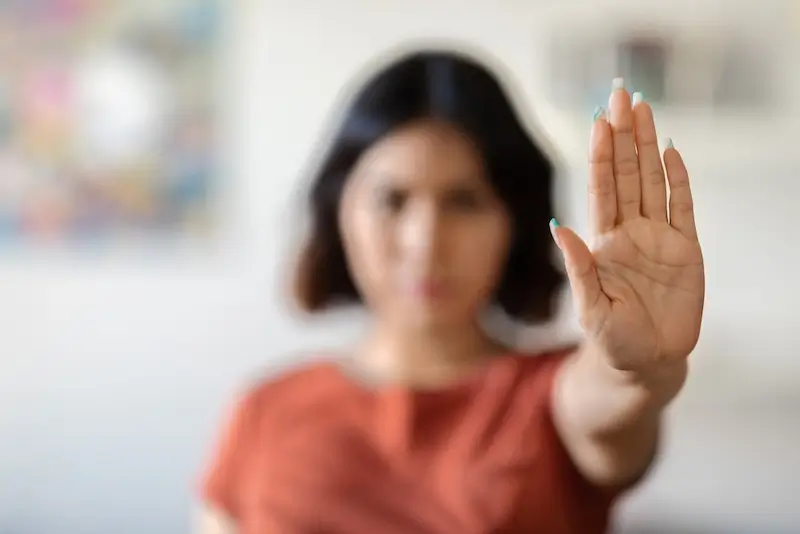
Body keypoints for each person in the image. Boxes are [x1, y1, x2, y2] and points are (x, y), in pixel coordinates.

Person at [195, 48, 705, 534]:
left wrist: (642, 365)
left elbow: (615, 395)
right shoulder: (263, 410)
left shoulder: (549, 399)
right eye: (391, 199)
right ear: (339, 212)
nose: (426, 243)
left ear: (514, 223)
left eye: (464, 201)